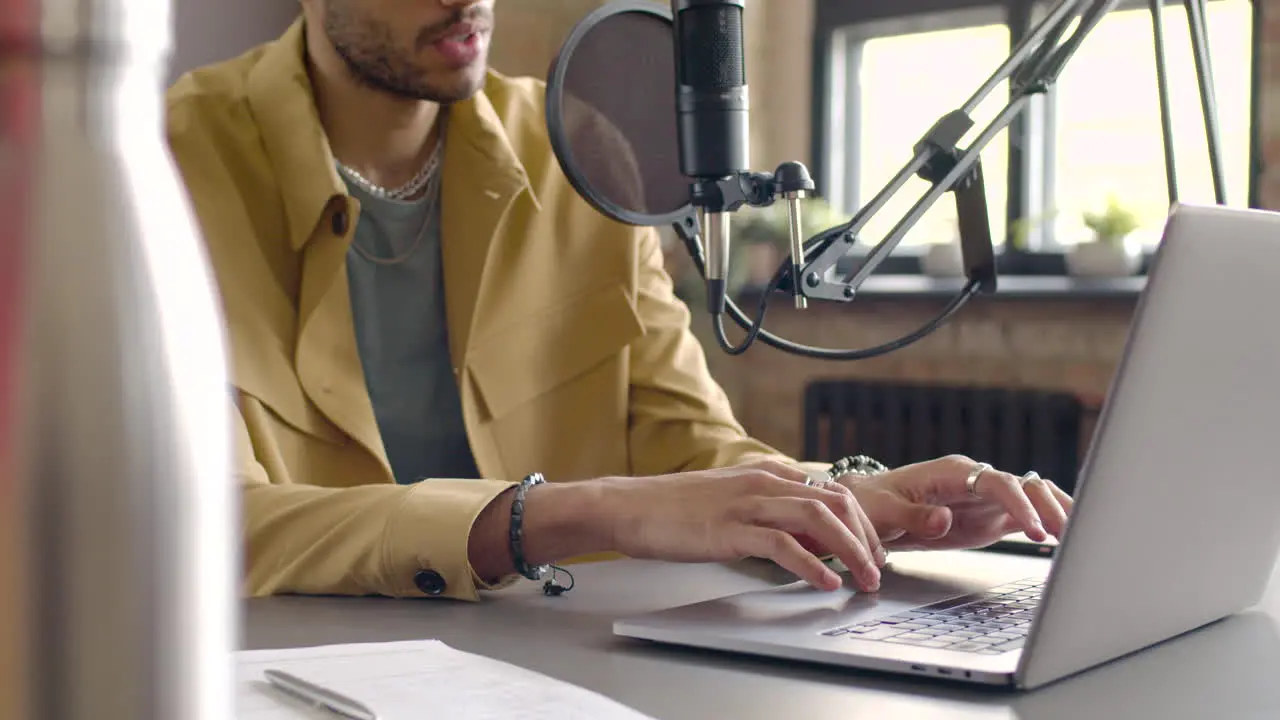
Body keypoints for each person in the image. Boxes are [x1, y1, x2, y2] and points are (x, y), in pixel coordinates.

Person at [164, 0, 1073, 602]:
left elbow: (690, 446)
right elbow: (198, 523)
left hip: (552, 666)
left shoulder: (577, 152)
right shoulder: (158, 160)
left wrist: (849, 500)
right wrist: (568, 513)